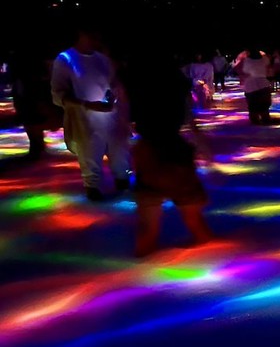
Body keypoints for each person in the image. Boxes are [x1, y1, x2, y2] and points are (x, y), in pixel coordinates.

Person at [124, 46, 214, 257]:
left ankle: (138, 281)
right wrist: (203, 148)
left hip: (148, 153)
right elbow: (191, 120)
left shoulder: (134, 83)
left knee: (147, 231)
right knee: (197, 226)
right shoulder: (177, 82)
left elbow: (125, 121)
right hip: (175, 151)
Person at [50, 21, 132, 201]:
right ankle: (93, 189)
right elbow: (58, 94)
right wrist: (86, 105)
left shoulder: (102, 59)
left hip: (111, 117)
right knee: (90, 157)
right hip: (84, 121)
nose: (97, 39)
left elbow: (113, 84)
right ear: (82, 33)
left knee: (120, 156)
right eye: (93, 34)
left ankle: (123, 182)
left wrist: (116, 97)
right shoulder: (65, 59)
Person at [9, 44, 62, 159]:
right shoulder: (27, 83)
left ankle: (37, 146)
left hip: (41, 95)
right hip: (32, 95)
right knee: (30, 114)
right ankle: (36, 146)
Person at [233, 47, 272, 125]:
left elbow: (237, 69)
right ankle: (265, 120)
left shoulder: (246, 61)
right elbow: (269, 70)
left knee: (253, 107)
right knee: (264, 106)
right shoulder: (265, 59)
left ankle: (256, 123)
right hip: (263, 84)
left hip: (251, 86)